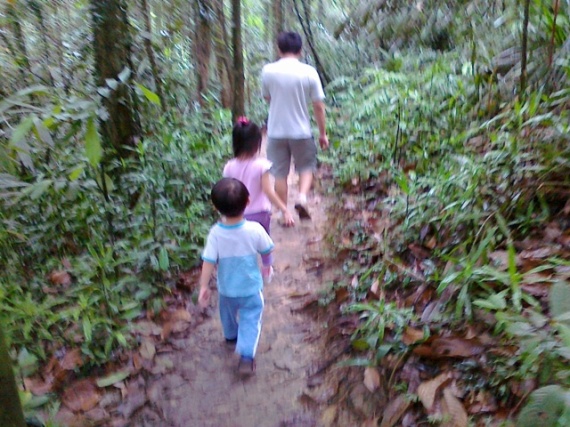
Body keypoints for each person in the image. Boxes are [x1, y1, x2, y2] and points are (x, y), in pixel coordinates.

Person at [198, 178, 274, 375]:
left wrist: (204, 286)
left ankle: (231, 336)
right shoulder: (255, 229)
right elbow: (267, 249)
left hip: (226, 289)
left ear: (216, 208)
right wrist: (267, 266)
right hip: (250, 288)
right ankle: (246, 356)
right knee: (251, 319)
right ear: (248, 201)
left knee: (227, 314)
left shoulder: (215, 233)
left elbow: (208, 260)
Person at [261, 31, 329, 220]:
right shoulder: (309, 72)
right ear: (300, 50)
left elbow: (267, 97)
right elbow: (318, 105)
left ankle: (285, 214)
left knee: (279, 174)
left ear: (279, 49)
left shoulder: (268, 71)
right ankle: (302, 197)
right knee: (306, 167)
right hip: (301, 131)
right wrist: (323, 133)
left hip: (276, 131)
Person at [223, 116, 295, 234]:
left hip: (237, 216)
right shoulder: (261, 166)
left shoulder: (229, 167)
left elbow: (226, 194)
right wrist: (284, 210)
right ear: (257, 144)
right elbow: (268, 191)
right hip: (260, 214)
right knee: (263, 243)